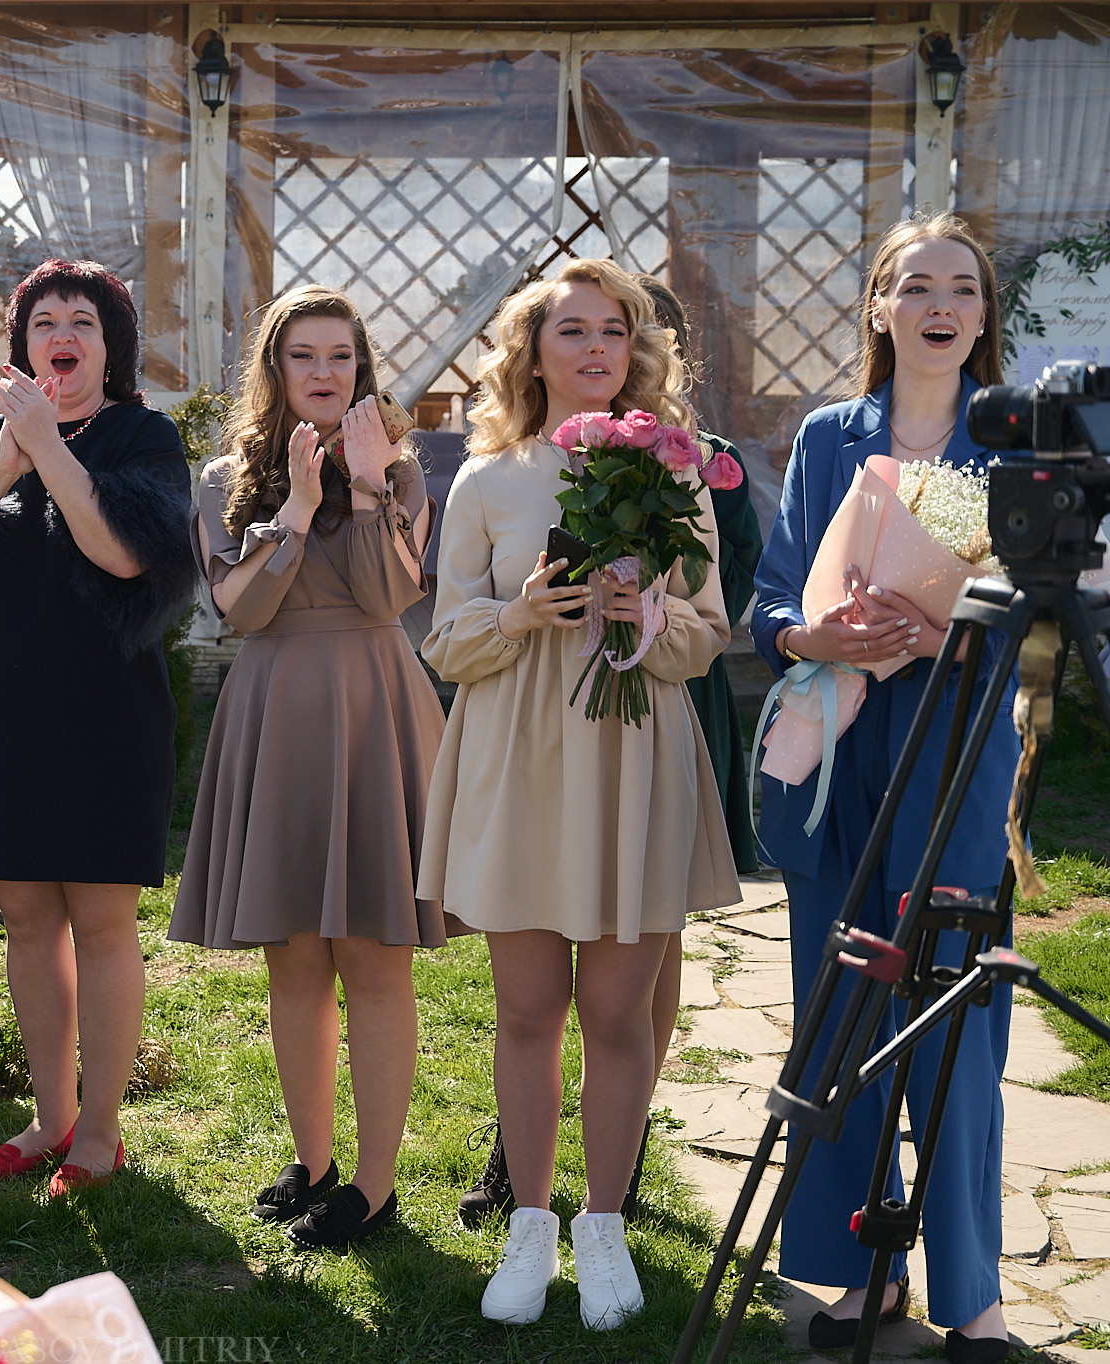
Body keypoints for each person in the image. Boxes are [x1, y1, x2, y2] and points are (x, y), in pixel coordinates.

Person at [417, 259, 739, 1330]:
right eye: (572, 330)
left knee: (612, 1007)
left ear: (633, 350)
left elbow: (705, 635)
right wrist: (518, 613)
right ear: (532, 349)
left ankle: (602, 1223)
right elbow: (445, 640)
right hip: (515, 753)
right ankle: (526, 1223)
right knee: (524, 1006)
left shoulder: (669, 474)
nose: (595, 347)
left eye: (614, 330)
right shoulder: (486, 478)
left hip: (629, 754)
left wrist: (640, 615)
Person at [752, 214, 1015, 1364]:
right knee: (843, 996)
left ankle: (972, 1290)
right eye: (915, 284)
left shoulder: (1000, 447)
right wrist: (812, 629)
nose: (938, 302)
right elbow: (771, 595)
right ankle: (864, 1265)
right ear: (878, 308)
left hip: (952, 750)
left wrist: (953, 634)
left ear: (979, 315)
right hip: (842, 741)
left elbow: (1032, 606)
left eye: (960, 285)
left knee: (951, 1003)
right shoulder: (825, 437)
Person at [0, 260, 196, 1194]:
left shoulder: (144, 436)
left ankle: (101, 1131)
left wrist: (50, 454)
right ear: (23, 344)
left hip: (108, 713)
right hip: (3, 707)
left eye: (85, 322)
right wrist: (5, 463)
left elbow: (129, 556)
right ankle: (48, 1115)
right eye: (46, 320)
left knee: (100, 920)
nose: (64, 333)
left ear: (109, 347)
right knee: (24, 914)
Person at [160, 284, 446, 1244]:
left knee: (372, 952)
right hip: (276, 707)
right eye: (304, 356)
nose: (325, 374)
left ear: (362, 369)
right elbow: (240, 612)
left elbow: (387, 599)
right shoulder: (222, 477)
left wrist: (366, 487)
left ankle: (373, 1183)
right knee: (291, 954)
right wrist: (300, 505)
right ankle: (313, 1157)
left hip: (371, 701)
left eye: (342, 357)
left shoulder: (401, 472)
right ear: (274, 370)